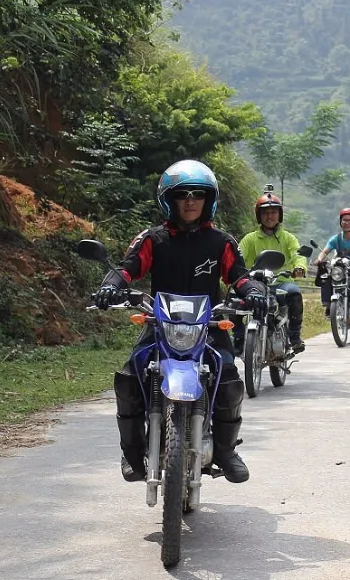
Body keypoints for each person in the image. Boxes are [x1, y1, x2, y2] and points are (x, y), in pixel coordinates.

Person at [91, 160, 266, 485]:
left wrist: (254, 291)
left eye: (197, 194)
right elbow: (128, 268)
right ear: (168, 199)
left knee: (228, 377)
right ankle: (131, 450)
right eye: (182, 194)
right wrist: (111, 286)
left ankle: (226, 451)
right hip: (160, 325)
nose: (190, 201)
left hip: (209, 326)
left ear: (207, 199)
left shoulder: (221, 242)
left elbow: (238, 277)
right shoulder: (152, 239)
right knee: (130, 378)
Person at [238, 188, 307, 353]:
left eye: (274, 212)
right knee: (236, 300)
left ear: (280, 215)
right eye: (265, 212)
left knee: (295, 294)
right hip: (255, 284)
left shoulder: (288, 238)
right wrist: (238, 271)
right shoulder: (250, 239)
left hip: (281, 282)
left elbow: (298, 255)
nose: (270, 216)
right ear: (259, 216)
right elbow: (238, 256)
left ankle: (294, 336)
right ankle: (239, 339)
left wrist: (299, 267)